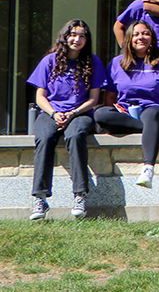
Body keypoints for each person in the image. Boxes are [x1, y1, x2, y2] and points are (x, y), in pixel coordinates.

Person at [27, 20, 104, 220]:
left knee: (76, 135)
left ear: (87, 40)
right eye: (73, 34)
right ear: (64, 36)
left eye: (82, 35)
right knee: (44, 138)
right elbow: (40, 97)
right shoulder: (49, 61)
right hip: (51, 113)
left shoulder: (92, 62)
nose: (77, 39)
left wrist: (73, 113)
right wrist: (54, 113)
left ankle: (80, 195)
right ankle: (40, 198)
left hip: (80, 114)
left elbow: (94, 99)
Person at [94, 20, 159, 191]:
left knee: (150, 115)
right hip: (127, 114)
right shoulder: (116, 63)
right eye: (136, 34)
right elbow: (110, 96)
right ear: (128, 39)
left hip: (158, 110)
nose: (141, 37)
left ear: (152, 38)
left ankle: (148, 168)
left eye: (146, 33)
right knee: (100, 114)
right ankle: (154, 128)